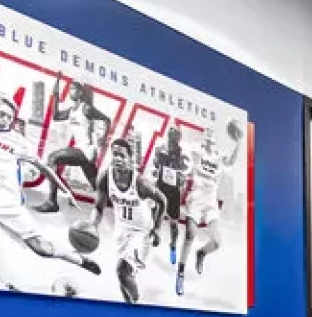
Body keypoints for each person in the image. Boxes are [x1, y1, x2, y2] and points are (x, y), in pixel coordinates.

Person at [0, 92, 100, 295]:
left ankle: (79, 259)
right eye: (1, 113)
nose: (5, 119)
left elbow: (44, 168)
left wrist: (66, 190)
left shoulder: (18, 141)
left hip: (8, 204)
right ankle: (11, 285)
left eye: (9, 117)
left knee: (42, 249)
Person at [93, 136, 166, 304]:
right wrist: (92, 226)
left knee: (122, 271)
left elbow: (162, 200)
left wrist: (157, 228)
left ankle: (137, 305)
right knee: (122, 278)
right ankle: (129, 306)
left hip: (142, 232)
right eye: (115, 154)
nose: (118, 158)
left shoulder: (140, 182)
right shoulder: (105, 177)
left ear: (130, 158)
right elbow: (98, 208)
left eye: (122, 155)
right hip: (121, 230)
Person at [174, 125, 236, 297]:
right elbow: (182, 148)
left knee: (217, 242)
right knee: (190, 235)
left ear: (216, 139)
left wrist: (238, 143)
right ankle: (180, 273)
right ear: (204, 136)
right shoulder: (196, 149)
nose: (210, 136)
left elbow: (230, 162)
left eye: (212, 133)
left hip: (210, 201)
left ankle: (201, 253)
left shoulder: (219, 156)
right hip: (196, 197)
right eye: (207, 132)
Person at [38, 81, 108, 213]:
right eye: (70, 89)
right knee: (97, 185)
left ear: (81, 92)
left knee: (52, 158)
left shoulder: (86, 108)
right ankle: (111, 202)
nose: (71, 92)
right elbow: (56, 116)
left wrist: (103, 139)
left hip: (86, 151)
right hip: (80, 149)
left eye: (74, 89)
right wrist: (56, 97)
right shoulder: (71, 111)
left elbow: (106, 119)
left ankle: (52, 202)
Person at [148, 124, 188, 262]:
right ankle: (152, 237)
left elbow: (184, 173)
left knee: (173, 224)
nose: (173, 138)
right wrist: (156, 171)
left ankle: (173, 246)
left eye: (176, 136)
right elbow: (155, 166)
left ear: (179, 139)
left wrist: (181, 178)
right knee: (154, 216)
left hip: (174, 192)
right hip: (161, 188)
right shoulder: (159, 149)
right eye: (171, 135)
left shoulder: (182, 154)